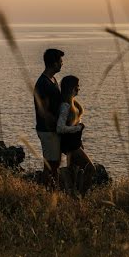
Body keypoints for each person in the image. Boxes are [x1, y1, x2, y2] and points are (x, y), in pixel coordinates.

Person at [57, 74, 95, 195]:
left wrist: (80, 140)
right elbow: (60, 128)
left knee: (74, 172)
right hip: (70, 145)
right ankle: (82, 196)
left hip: (75, 143)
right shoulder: (65, 106)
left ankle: (74, 198)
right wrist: (77, 128)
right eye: (77, 86)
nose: (79, 88)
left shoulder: (73, 103)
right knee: (90, 168)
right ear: (71, 88)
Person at [34, 48, 64, 187]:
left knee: (55, 163)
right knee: (51, 164)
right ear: (54, 63)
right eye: (60, 61)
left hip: (52, 130)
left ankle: (53, 191)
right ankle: (45, 190)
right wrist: (57, 125)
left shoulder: (52, 80)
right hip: (47, 130)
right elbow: (43, 111)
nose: (62, 63)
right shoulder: (43, 83)